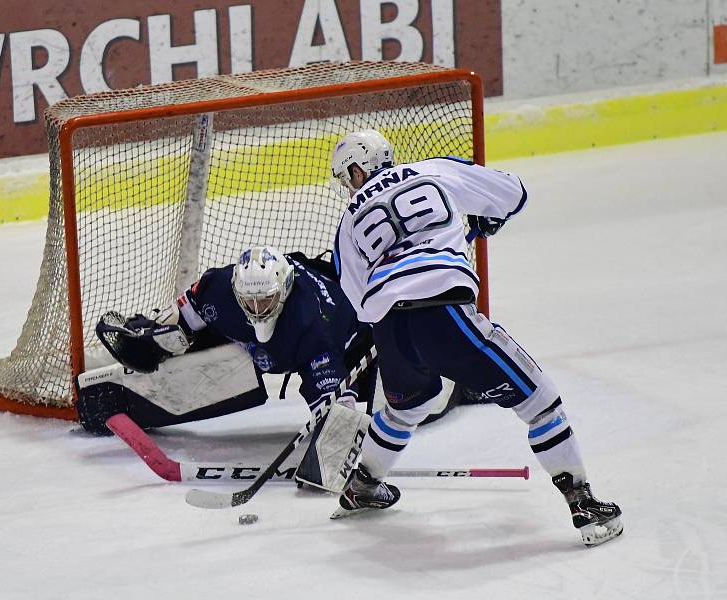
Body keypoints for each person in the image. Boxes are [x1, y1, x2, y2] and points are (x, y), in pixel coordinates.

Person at [327, 130, 623, 547]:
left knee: (405, 410)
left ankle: (362, 485)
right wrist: (485, 217)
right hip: (444, 313)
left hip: (391, 328)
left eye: (348, 175)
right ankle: (584, 504)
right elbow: (514, 193)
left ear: (358, 168)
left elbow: (357, 298)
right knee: (539, 400)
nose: (349, 184)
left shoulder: (349, 220)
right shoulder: (433, 170)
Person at [83, 245, 453, 491]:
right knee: (182, 339)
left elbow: (334, 411)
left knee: (379, 407)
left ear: (285, 288)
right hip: (273, 342)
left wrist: (331, 439)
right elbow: (183, 317)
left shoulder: (314, 327)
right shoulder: (218, 290)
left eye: (266, 301)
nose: (257, 309)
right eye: (250, 301)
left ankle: (458, 383)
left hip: (353, 336)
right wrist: (160, 337)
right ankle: (132, 395)